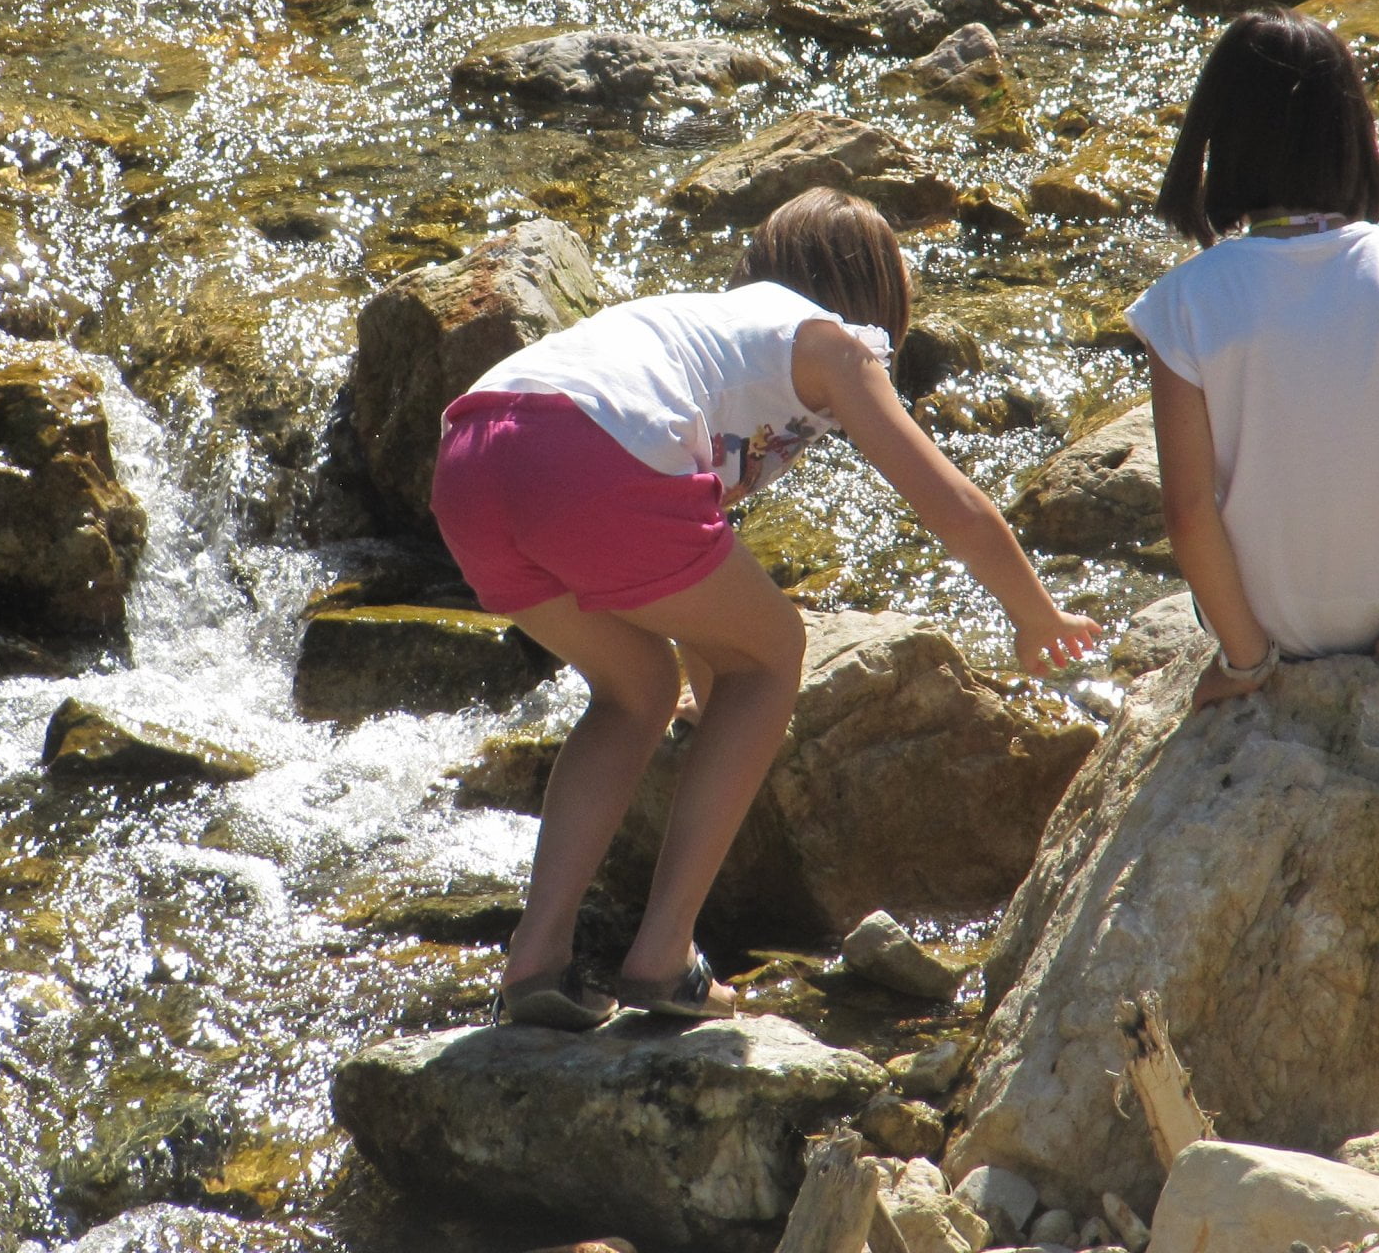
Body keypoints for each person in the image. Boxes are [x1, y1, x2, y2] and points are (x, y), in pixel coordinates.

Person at [430, 187, 1101, 1029]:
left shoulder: (707, 329)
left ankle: (536, 961)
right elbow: (948, 502)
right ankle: (663, 954)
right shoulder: (832, 345)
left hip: (472, 459)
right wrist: (1035, 613)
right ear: (870, 302)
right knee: (776, 650)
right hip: (588, 449)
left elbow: (698, 579)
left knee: (636, 689)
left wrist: (720, 705)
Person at [1125, 8, 1379, 714]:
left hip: (1268, 623)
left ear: (1217, 138)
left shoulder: (1184, 300)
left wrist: (1246, 658)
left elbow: (1187, 512)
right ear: (1355, 135)